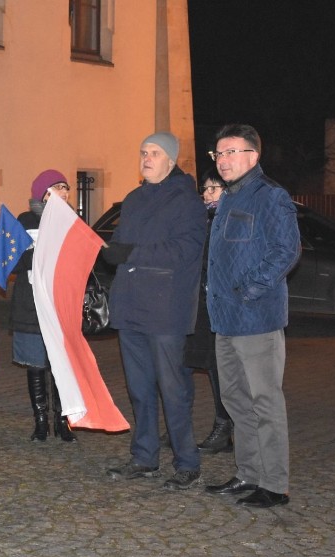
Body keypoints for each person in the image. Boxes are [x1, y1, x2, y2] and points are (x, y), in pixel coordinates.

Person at [101, 132, 207, 490]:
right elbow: (121, 246)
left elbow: (185, 250)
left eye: (155, 153)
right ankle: (144, 456)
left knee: (172, 389)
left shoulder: (186, 201)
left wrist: (129, 253)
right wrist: (110, 250)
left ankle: (187, 461)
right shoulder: (133, 199)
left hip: (165, 309)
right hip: (131, 306)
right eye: (143, 152)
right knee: (139, 388)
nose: (146, 158)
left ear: (171, 160)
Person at [204, 124, 300, 508]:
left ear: (253, 156)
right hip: (224, 319)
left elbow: (285, 251)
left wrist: (250, 290)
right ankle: (248, 474)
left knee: (265, 401)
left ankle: (275, 485)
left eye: (230, 153)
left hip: (256, 317)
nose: (223, 161)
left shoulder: (270, 196)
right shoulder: (228, 197)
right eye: (218, 154)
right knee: (235, 399)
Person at [9, 169, 77, 442]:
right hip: (31, 305)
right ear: (43, 193)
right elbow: (12, 261)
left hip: (61, 303)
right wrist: (37, 254)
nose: (64, 192)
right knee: (36, 364)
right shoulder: (25, 221)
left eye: (66, 187)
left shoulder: (72, 221)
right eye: (58, 187)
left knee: (61, 365)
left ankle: (64, 421)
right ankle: (40, 422)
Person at [184, 168, 233, 453]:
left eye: (213, 189)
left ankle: (223, 427)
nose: (206, 194)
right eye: (205, 188)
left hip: (220, 306)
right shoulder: (202, 219)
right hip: (199, 304)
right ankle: (181, 425)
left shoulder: (226, 220)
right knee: (186, 363)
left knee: (219, 369)